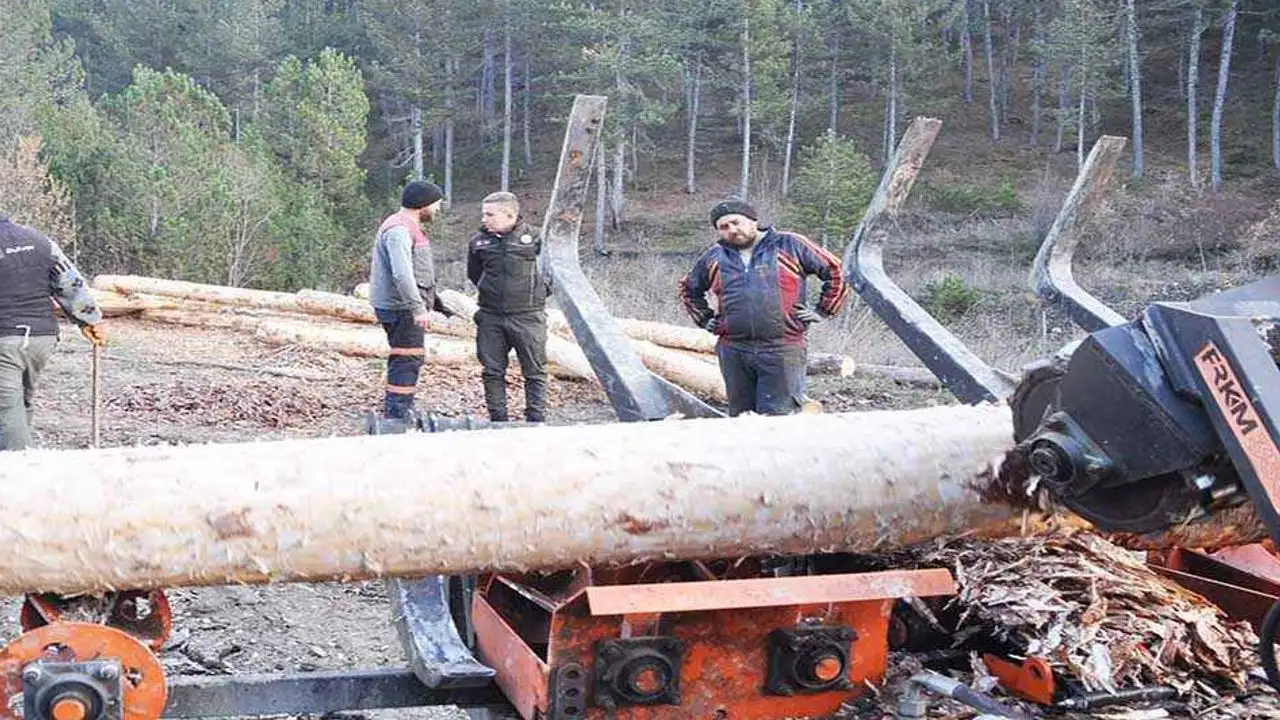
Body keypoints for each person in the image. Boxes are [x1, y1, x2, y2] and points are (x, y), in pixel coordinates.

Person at [678, 200, 849, 417]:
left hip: (782, 347)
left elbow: (835, 270)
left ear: (752, 221)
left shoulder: (789, 245)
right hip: (734, 350)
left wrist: (824, 310)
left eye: (735, 222)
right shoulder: (714, 257)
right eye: (724, 227)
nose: (732, 230)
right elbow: (688, 288)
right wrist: (704, 319)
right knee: (741, 418)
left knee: (779, 418)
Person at [0, 213, 105, 450]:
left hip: (4, 338)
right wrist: (90, 320)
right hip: (41, 339)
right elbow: (71, 283)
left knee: (6, 413)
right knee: (19, 405)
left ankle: (18, 474)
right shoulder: (39, 241)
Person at [368, 180, 451, 419]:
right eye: (436, 204)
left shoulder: (403, 225)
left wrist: (435, 302)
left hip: (402, 306)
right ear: (422, 204)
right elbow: (402, 274)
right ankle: (397, 415)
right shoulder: (399, 231)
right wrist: (417, 308)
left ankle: (401, 408)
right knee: (407, 358)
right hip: (401, 308)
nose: (437, 209)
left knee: (408, 357)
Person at [466, 192, 551, 423]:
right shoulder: (478, 242)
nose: (485, 218)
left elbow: (552, 274)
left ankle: (536, 420)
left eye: (490, 214)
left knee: (535, 371)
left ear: (510, 215)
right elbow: (475, 274)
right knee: (492, 371)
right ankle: (498, 420)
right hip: (491, 316)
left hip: (528, 316)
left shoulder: (535, 238)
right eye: (484, 213)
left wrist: (536, 294)